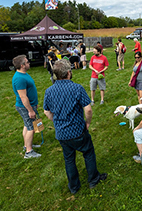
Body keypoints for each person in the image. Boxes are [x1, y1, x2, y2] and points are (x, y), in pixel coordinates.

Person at [43, 60, 107, 194]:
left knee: (69, 159)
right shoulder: (77, 88)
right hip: (78, 131)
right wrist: (88, 123)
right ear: (68, 73)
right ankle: (93, 180)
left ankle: (74, 187)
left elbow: (46, 111)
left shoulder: (49, 91)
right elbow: (88, 110)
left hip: (62, 134)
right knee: (88, 153)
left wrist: (57, 122)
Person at [11, 55, 41, 159]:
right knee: (31, 128)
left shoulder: (23, 74)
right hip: (25, 107)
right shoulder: (19, 79)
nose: (29, 63)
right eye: (27, 62)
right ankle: (29, 152)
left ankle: (26, 145)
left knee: (26, 125)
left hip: (30, 105)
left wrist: (34, 104)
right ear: (22, 65)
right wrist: (30, 110)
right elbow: (23, 97)